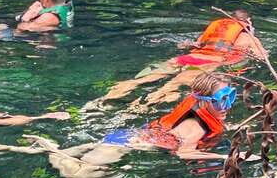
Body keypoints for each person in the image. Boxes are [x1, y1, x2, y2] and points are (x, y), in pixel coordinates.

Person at [0, 73, 237, 178]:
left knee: (85, 166)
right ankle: (52, 151)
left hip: (125, 136)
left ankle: (51, 150)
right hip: (124, 144)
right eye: (222, 101)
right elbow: (185, 154)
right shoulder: (194, 125)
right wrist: (228, 159)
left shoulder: (200, 114)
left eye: (231, 98)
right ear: (204, 102)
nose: (227, 106)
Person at [85, 8, 266, 108]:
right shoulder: (249, 37)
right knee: (172, 85)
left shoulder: (215, 29)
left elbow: (189, 45)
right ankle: (139, 108)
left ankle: (99, 101)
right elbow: (262, 57)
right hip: (208, 64)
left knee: (141, 79)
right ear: (248, 23)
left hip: (186, 58)